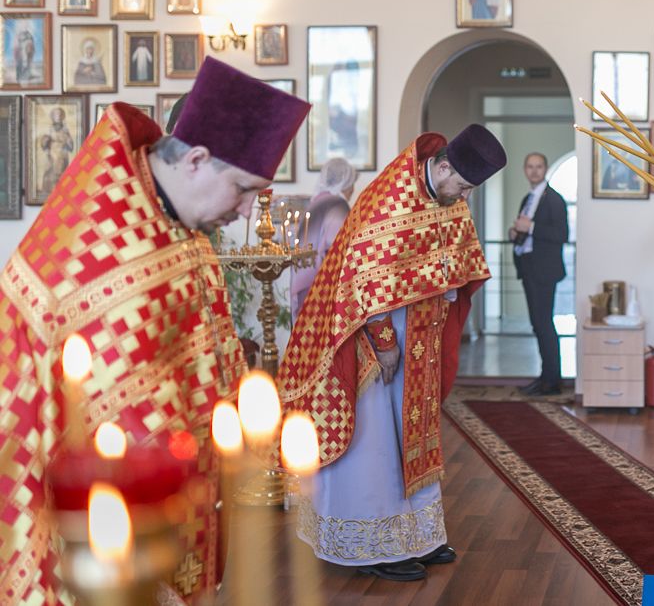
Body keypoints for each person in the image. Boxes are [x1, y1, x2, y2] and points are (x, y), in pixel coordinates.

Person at [0, 56, 311, 606]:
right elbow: (109, 420)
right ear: (196, 159)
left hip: (182, 500)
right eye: (243, 190)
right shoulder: (101, 239)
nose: (246, 212)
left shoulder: (174, 220)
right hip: (104, 531)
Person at [278, 123, 506, 581]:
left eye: (470, 191)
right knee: (375, 437)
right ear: (444, 167)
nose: (463, 198)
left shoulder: (447, 199)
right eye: (462, 186)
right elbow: (362, 279)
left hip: (422, 334)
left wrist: (447, 291)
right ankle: (371, 543)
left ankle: (418, 535)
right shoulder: (390, 197)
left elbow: (455, 259)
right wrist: (384, 343)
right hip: (372, 341)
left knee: (413, 431)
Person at [511, 153, 569, 396]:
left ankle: (552, 381)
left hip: (544, 271)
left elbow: (562, 235)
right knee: (538, 324)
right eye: (530, 166)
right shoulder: (529, 198)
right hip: (529, 267)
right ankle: (546, 377)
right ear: (525, 169)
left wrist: (531, 227)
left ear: (545, 169)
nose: (534, 171)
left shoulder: (554, 199)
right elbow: (525, 232)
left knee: (544, 325)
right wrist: (515, 234)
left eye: (539, 166)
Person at [290, 157, 357, 319]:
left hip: (302, 278)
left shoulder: (316, 201)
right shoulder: (338, 205)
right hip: (321, 284)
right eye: (352, 184)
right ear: (346, 183)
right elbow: (340, 247)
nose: (353, 189)